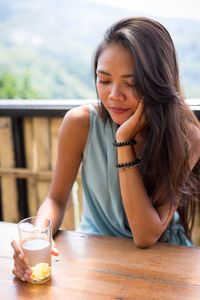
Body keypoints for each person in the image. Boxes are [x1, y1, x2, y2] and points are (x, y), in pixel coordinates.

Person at [12, 16, 200, 282]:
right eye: (104, 80)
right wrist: (37, 235)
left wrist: (123, 141)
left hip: (166, 257)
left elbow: (146, 235)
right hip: (95, 250)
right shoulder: (81, 123)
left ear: (158, 82)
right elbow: (55, 199)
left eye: (131, 83)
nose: (114, 95)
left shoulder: (187, 137)